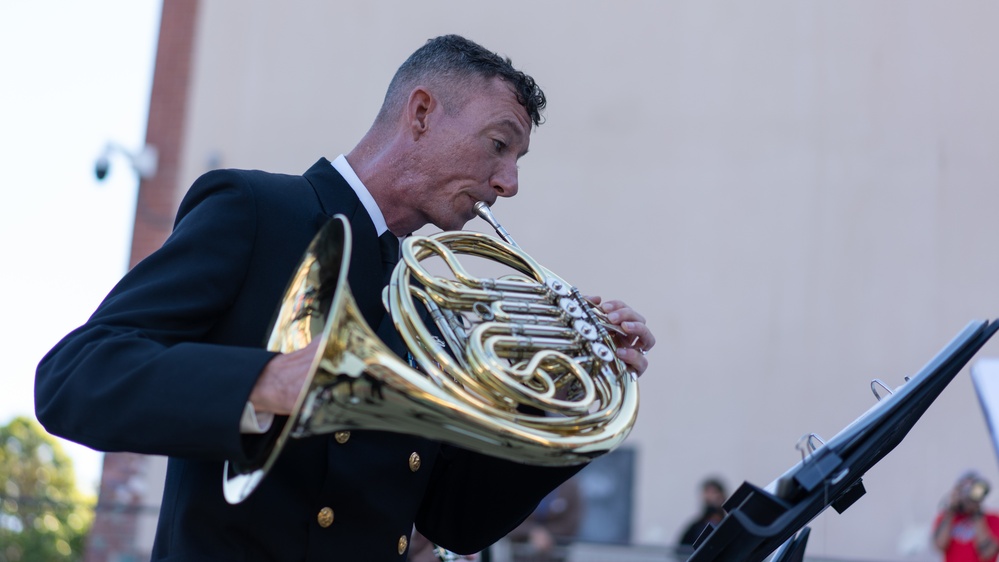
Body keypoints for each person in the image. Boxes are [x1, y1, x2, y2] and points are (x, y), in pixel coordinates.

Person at [34, 34, 655, 561]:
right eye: (499, 145)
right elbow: (73, 377)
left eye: (517, 160)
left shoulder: (435, 305)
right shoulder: (257, 212)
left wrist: (570, 405)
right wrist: (265, 381)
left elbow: (454, 519)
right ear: (420, 113)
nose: (509, 183)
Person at [506, 477, 584, 562]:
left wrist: (544, 534)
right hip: (520, 555)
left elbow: (571, 524)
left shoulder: (570, 487)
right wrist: (532, 531)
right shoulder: (519, 483)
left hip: (556, 554)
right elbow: (506, 522)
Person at [933, 471, 999, 562]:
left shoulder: (993, 519)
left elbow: (987, 553)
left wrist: (976, 513)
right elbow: (939, 545)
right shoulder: (946, 517)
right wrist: (951, 509)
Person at [676, 476, 728, 554]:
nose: (710, 497)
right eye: (707, 493)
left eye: (714, 493)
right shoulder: (695, 527)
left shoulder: (728, 525)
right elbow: (681, 550)